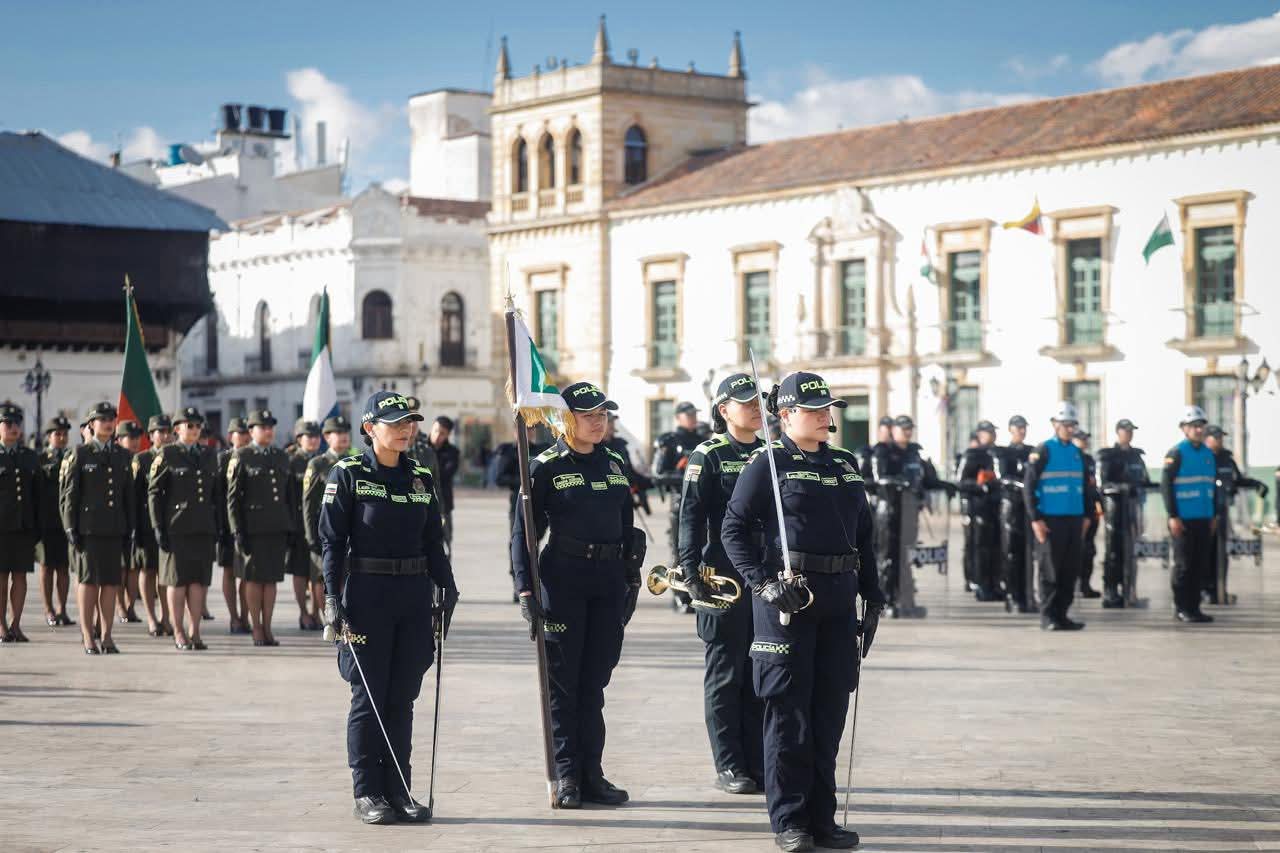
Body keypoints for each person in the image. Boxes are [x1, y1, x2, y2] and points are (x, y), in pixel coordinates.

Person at [721, 371, 885, 852]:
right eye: (811, 409)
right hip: (789, 601)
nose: (822, 415)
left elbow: (864, 534)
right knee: (788, 715)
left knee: (829, 712)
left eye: (825, 408)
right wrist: (765, 585)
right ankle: (789, 821)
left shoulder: (845, 463)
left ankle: (822, 819)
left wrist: (873, 595)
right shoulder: (768, 463)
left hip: (838, 601)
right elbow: (734, 530)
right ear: (785, 414)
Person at [320, 391, 458, 825]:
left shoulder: (420, 477)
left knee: (403, 697)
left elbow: (433, 541)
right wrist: (330, 597)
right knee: (369, 698)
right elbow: (331, 542)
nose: (406, 428)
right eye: (396, 421)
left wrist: (447, 586)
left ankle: (399, 789)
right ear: (369, 428)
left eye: (410, 421)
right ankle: (367, 791)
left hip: (413, 596)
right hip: (367, 596)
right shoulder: (348, 474)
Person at [512, 382, 638, 809]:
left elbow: (627, 525)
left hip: (606, 583)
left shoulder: (615, 461)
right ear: (566, 420)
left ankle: (592, 773)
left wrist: (631, 577)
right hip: (562, 581)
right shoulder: (544, 466)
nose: (599, 421)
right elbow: (524, 535)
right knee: (563, 687)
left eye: (603, 414)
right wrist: (525, 588)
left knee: (595, 684)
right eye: (589, 415)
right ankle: (567, 775)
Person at [676, 373, 766, 795]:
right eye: (745, 402)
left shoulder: (772, 453)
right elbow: (690, 517)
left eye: (758, 401)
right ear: (723, 409)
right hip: (722, 580)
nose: (755, 407)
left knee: (760, 672)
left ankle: (758, 761)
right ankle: (730, 764)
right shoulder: (708, 454)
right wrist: (689, 571)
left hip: (764, 579)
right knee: (727, 674)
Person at [60, 402, 133, 654]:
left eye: (112, 418)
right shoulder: (80, 454)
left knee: (111, 584)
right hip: (88, 530)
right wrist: (70, 528)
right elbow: (71, 496)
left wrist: (130, 529)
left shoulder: (123, 456)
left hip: (114, 528)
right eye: (102, 419)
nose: (109, 423)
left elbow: (128, 497)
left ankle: (108, 635)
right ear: (91, 424)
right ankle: (87, 635)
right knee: (89, 583)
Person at [148, 407, 219, 651]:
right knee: (177, 582)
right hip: (176, 528)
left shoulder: (210, 454)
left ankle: (195, 631)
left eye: (198, 426)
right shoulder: (167, 454)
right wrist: (158, 526)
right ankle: (178, 631)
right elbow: (154, 494)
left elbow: (215, 493)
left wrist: (217, 525)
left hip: (203, 527)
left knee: (199, 582)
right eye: (189, 426)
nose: (195, 430)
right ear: (177, 429)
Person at [871, 415, 956, 611]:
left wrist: (947, 485)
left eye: (909, 428)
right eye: (903, 428)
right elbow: (879, 479)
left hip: (909, 513)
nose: (907, 432)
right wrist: (901, 483)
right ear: (893, 430)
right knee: (888, 557)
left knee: (907, 557)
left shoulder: (914, 453)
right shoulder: (882, 451)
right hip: (890, 512)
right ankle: (887, 601)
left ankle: (906, 600)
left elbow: (924, 481)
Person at [1023, 402, 1094, 631]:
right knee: (1050, 569)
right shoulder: (1043, 450)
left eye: (1072, 425)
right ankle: (1048, 616)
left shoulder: (1077, 454)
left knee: (1069, 570)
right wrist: (1036, 519)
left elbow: (1086, 487)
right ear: (1055, 424)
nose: (1069, 429)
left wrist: (1086, 515)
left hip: (1074, 519)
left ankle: (1062, 614)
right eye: (1065, 424)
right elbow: (1029, 486)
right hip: (1050, 520)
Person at [226, 409, 293, 646]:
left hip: (276, 527)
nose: (268, 431)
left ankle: (268, 627)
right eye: (263, 427)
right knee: (254, 579)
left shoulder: (281, 456)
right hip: (252, 529)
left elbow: (289, 496)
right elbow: (233, 499)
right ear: (251, 431)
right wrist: (237, 531)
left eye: (270, 427)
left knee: (272, 580)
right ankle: (256, 627)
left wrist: (290, 527)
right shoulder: (242, 456)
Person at [1161, 407, 1218, 623]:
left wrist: (1212, 515)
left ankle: (1194, 607)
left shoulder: (1207, 454)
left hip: (1203, 517)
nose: (1198, 429)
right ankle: (1181, 607)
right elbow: (1166, 486)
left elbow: (1212, 488)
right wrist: (1173, 515)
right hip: (1183, 520)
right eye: (1194, 426)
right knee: (1184, 565)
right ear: (1184, 429)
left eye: (1200, 426)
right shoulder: (1176, 454)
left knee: (1199, 564)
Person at [1202, 424, 1267, 604]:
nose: (1219, 440)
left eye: (1221, 437)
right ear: (1207, 439)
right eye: (1216, 437)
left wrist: (1255, 483)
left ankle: (1219, 589)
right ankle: (1204, 589)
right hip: (1203, 514)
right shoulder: (1201, 458)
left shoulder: (1226, 459)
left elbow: (1237, 480)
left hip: (1223, 512)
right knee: (1205, 552)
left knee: (1221, 552)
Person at [653, 401, 705, 613]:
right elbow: (658, 475)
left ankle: (698, 592)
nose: (693, 417)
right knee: (681, 551)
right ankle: (679, 595)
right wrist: (686, 477)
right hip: (680, 504)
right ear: (678, 417)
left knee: (701, 551)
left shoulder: (703, 440)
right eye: (688, 414)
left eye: (694, 414)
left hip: (703, 503)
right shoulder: (671, 441)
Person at [1096, 419, 1154, 608]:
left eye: (1131, 431)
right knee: (1114, 550)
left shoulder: (1137, 457)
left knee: (1132, 551)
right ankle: (1111, 589)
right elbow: (1103, 483)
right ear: (1118, 432)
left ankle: (1130, 589)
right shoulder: (1109, 456)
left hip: (1134, 508)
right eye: (1125, 431)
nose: (1129, 434)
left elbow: (1144, 479)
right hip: (1115, 509)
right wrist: (1120, 488)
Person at [303, 415, 353, 625]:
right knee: (321, 576)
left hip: (349, 532)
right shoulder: (318, 464)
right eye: (338, 433)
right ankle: (325, 617)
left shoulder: (355, 462)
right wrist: (311, 536)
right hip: (324, 531)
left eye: (345, 433)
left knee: (346, 574)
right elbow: (308, 503)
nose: (342, 437)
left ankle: (344, 614)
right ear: (326, 436)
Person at [0, 402, 41, 643]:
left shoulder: (29, 457)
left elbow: (37, 495)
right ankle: (2, 625)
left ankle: (16, 623)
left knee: (21, 576)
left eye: (17, 424)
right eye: (8, 424)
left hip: (24, 526)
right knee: (1, 577)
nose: (14, 428)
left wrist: (37, 525)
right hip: (1, 528)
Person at [496, 424, 550, 600]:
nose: (529, 433)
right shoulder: (511, 452)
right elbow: (500, 478)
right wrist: (524, 481)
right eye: (525, 429)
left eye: (532, 429)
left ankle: (535, 581)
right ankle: (519, 584)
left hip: (541, 505)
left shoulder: (542, 451)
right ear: (516, 431)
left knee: (535, 543)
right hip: (519, 504)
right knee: (518, 543)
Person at [133, 415, 174, 634]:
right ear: (151, 436)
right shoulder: (141, 460)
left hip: (170, 523)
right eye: (161, 431)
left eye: (168, 431)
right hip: (146, 523)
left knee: (166, 573)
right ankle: (151, 618)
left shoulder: (175, 457)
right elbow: (135, 495)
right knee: (148, 570)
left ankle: (165, 616)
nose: (166, 435)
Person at [957, 420, 1002, 601]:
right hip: (979, 508)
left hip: (996, 508)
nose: (992, 435)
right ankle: (981, 584)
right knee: (980, 549)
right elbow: (961, 481)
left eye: (993, 431)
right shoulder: (972, 454)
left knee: (996, 549)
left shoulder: (998, 453)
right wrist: (979, 485)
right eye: (988, 432)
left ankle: (995, 584)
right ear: (980, 434)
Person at [36, 416, 74, 628]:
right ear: (49, 437)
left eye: (64, 434)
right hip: (47, 521)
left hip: (65, 521)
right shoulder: (41, 460)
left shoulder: (71, 457)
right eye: (57, 434)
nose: (61, 437)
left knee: (63, 567)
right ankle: (48, 609)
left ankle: (62, 609)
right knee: (46, 567)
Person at [288, 419, 324, 631]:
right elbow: (288, 496)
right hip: (298, 524)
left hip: (318, 524)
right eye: (308, 437)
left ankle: (315, 613)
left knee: (316, 573)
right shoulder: (293, 461)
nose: (313, 440)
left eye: (316, 437)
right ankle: (303, 612)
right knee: (300, 571)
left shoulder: (322, 461)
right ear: (299, 439)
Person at [996, 414, 1034, 613]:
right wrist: (1021, 484)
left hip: (1028, 507)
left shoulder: (1031, 452)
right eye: (1018, 428)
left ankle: (1027, 594)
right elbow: (1002, 477)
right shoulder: (1004, 454)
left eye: (1023, 427)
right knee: (1012, 553)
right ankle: (1012, 595)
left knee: (1027, 553)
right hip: (1011, 506)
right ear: (1011, 430)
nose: (1021, 431)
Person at [217, 418, 252, 633]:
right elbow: (219, 495)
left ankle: (245, 616)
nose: (245, 436)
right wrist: (221, 525)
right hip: (225, 524)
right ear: (231, 436)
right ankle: (234, 617)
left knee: (247, 573)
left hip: (246, 523)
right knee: (230, 571)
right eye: (240, 432)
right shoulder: (222, 459)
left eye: (247, 432)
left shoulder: (250, 458)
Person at [1072, 431, 1103, 599]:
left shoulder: (1089, 460)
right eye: (1081, 439)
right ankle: (1074, 584)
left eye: (1086, 439)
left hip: (1091, 509)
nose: (1085, 442)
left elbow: (1093, 486)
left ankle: (1085, 584)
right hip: (1077, 510)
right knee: (1076, 549)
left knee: (1089, 550)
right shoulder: (1071, 459)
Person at [427, 416, 460, 547]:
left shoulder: (452, 453)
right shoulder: (420, 448)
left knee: (444, 542)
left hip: (443, 504)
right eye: (436, 430)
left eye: (442, 433)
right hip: (421, 500)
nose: (437, 435)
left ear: (448, 435)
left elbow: (444, 476)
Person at [405, 396, 440, 483]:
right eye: (408, 420)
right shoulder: (392, 453)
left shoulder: (428, 453)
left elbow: (436, 487)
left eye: (415, 420)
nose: (413, 425)